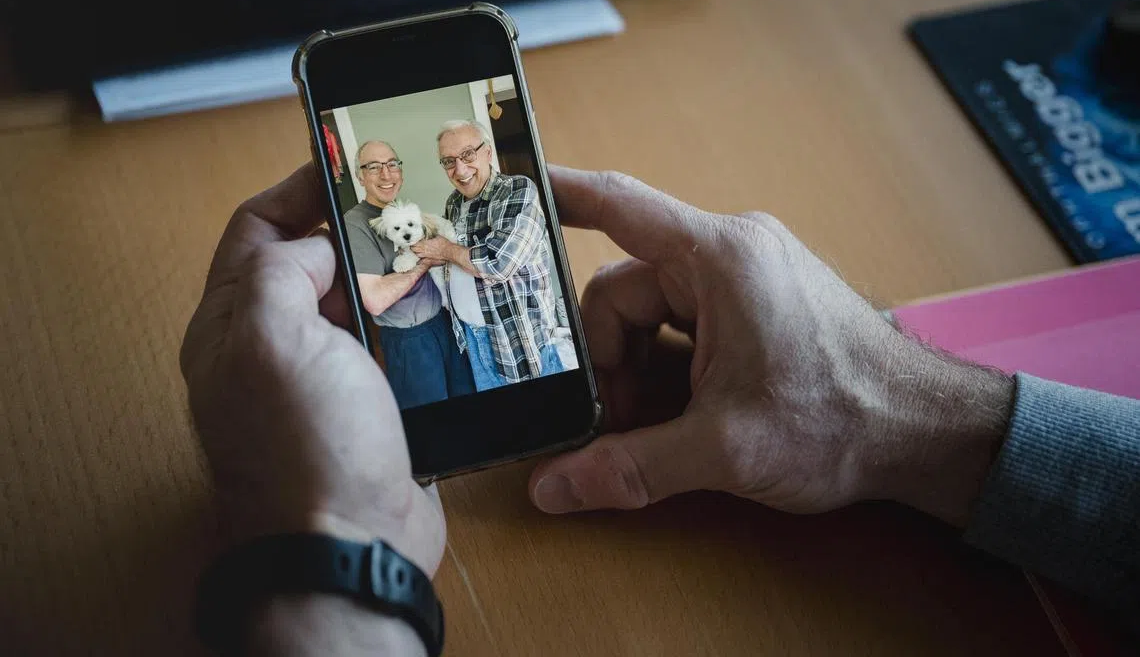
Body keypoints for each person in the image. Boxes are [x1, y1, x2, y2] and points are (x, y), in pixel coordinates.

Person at [181, 164, 1139, 655]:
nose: (446, 173)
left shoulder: (486, 212)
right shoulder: (410, 226)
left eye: (468, 153)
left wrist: (327, 551)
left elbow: (479, 276)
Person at [410, 119, 563, 390]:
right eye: (448, 161)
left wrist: (444, 249)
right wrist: (436, 256)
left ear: (488, 152)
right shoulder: (454, 203)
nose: (460, 169)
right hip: (472, 338)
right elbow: (458, 259)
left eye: (468, 154)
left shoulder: (516, 190)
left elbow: (498, 264)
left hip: (520, 341)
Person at [341, 139, 475, 407]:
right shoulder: (355, 224)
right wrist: (426, 260)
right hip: (409, 341)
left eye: (392, 164)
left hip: (445, 324)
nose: (386, 174)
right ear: (359, 176)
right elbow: (374, 300)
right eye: (374, 167)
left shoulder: (406, 211)